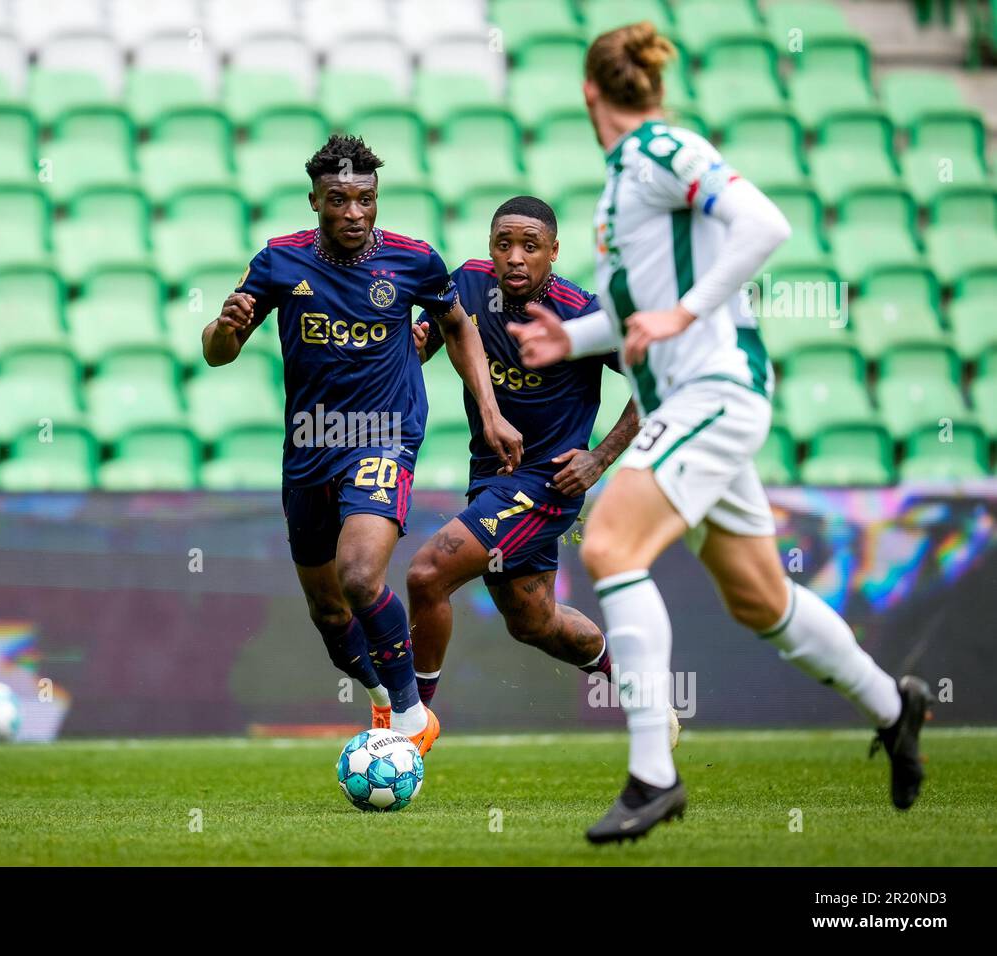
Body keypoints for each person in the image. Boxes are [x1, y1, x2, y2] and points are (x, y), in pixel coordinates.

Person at [509, 22, 932, 843]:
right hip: (688, 400)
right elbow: (643, 308)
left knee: (609, 548)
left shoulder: (662, 149)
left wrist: (687, 311)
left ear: (591, 92)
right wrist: (575, 338)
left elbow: (764, 224)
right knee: (761, 600)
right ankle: (894, 705)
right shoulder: (626, 177)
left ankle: (652, 776)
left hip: (714, 389)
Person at [201, 135, 523, 754]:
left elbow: (457, 324)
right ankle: (381, 701)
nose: (354, 212)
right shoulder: (278, 261)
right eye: (339, 200)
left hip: (384, 433)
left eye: (366, 199)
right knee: (329, 614)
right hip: (310, 443)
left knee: (358, 573)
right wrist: (225, 326)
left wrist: (489, 411)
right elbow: (217, 354)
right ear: (315, 201)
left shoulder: (415, 261)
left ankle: (410, 719)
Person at [404, 197, 670, 741]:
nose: (516, 258)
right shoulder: (470, 286)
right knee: (534, 622)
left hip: (547, 484)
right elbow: (428, 345)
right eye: (504, 245)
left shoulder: (584, 315)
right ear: (490, 250)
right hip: (489, 476)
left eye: (530, 246)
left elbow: (658, 380)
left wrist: (600, 457)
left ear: (553, 251)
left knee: (427, 574)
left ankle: (412, 726)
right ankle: (642, 696)